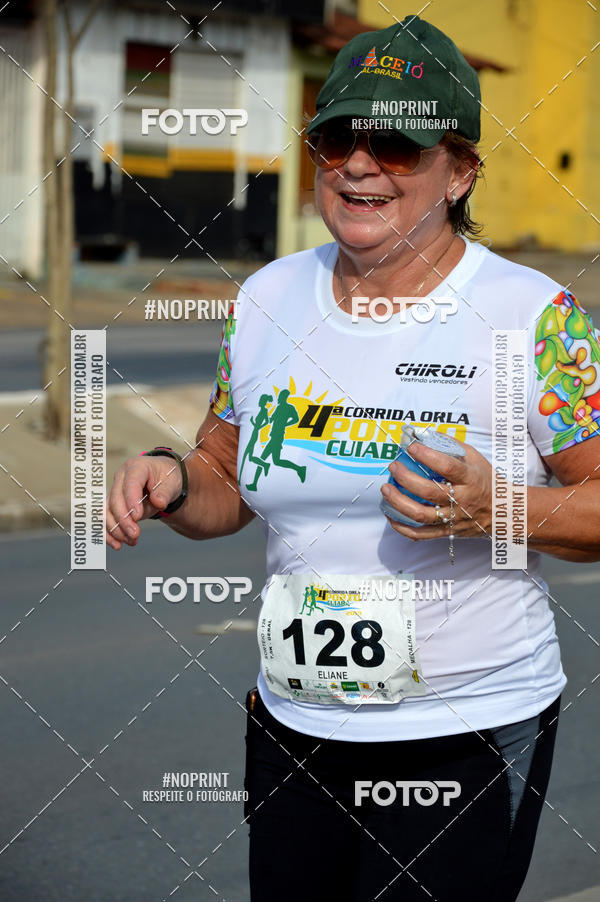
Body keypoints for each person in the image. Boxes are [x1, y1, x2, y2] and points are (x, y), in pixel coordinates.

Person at [105, 15, 600, 902]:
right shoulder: (266, 297)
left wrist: (500, 509)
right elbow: (229, 479)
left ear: (462, 171)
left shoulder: (537, 318)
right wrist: (173, 482)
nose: (360, 164)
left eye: (398, 146)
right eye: (338, 137)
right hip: (293, 725)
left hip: (465, 732)